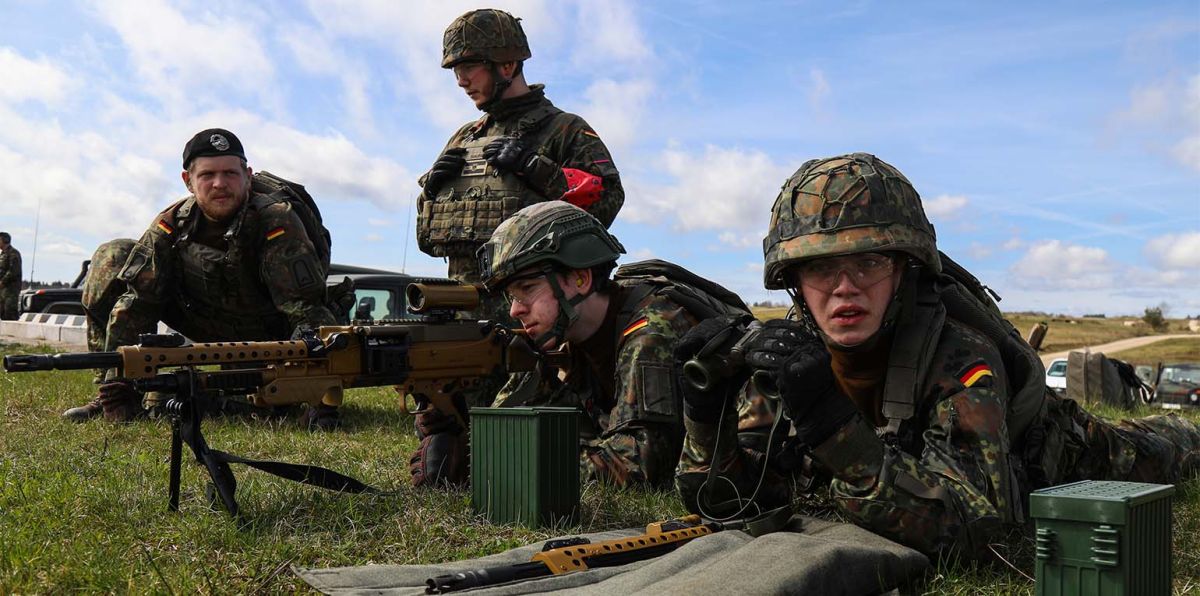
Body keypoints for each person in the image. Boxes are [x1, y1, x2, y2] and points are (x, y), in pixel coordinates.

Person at [673, 153, 1200, 560]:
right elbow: (726, 501)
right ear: (793, 283)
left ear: (905, 269)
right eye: (820, 269)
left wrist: (831, 424)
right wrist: (705, 416)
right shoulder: (792, 358)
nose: (844, 289)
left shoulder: (959, 357)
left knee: (1168, 447)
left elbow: (976, 528)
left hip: (1069, 452)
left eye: (870, 261)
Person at [408, 202, 734, 488]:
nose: (515, 310)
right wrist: (462, 436)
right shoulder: (558, 335)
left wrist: (488, 467)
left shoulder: (651, 328)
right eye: (511, 296)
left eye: (527, 288)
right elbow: (508, 420)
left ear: (580, 279)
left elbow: (640, 465)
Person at [62, 129, 341, 428]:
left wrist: (317, 393)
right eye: (208, 175)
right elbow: (136, 305)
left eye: (230, 173)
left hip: (267, 334)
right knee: (113, 255)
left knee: (256, 406)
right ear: (188, 182)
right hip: (203, 320)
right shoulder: (171, 225)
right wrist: (117, 386)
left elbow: (306, 312)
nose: (220, 184)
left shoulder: (276, 221)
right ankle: (109, 391)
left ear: (247, 176)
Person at [417, 8, 625, 290]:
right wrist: (431, 192)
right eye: (455, 70)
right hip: (462, 308)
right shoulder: (464, 138)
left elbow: (608, 201)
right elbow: (429, 241)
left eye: (468, 66)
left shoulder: (564, 129)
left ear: (507, 66)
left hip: (536, 316)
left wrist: (535, 169)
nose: (460, 80)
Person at [0, 232, 22, 320]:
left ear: (4, 241)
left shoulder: (13, 253)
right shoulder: (3, 254)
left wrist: (2, 282)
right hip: (3, 289)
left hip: (11, 289)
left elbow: (13, 271)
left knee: (10, 312)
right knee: (2, 312)